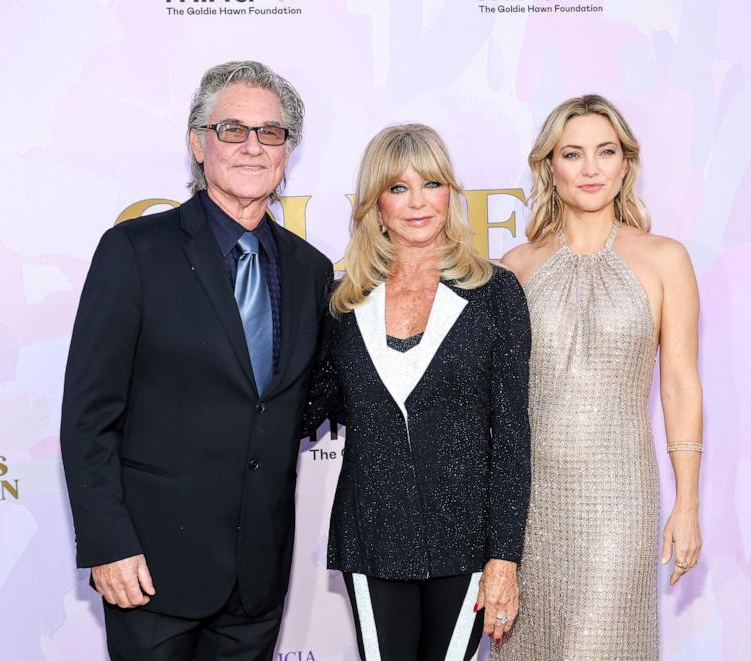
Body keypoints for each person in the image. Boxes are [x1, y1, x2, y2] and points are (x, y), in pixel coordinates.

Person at [60, 61, 333, 660]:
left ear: (289, 149)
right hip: (151, 570)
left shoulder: (311, 270)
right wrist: (107, 543)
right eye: (233, 130)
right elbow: (88, 416)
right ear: (197, 143)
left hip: (257, 576)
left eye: (271, 132)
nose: (253, 147)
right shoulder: (134, 251)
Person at [303, 123, 531, 660]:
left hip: (467, 541)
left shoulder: (495, 293)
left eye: (430, 184)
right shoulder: (343, 302)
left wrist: (504, 557)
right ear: (375, 204)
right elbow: (306, 405)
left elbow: (513, 436)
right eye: (398, 188)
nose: (417, 203)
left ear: (450, 193)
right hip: (374, 533)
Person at [494, 94, 704, 659]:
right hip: (531, 504)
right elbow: (502, 406)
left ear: (625, 164)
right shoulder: (515, 268)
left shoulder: (665, 259)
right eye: (573, 154)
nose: (590, 169)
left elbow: (681, 384)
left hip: (619, 499)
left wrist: (687, 503)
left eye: (605, 152)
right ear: (549, 167)